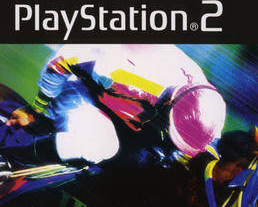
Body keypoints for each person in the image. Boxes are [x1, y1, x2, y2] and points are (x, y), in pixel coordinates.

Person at [2, 44, 226, 168]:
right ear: (170, 104)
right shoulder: (127, 74)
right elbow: (63, 62)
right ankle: (13, 152)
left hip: (127, 113)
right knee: (102, 146)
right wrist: (36, 109)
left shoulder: (208, 106)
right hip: (83, 91)